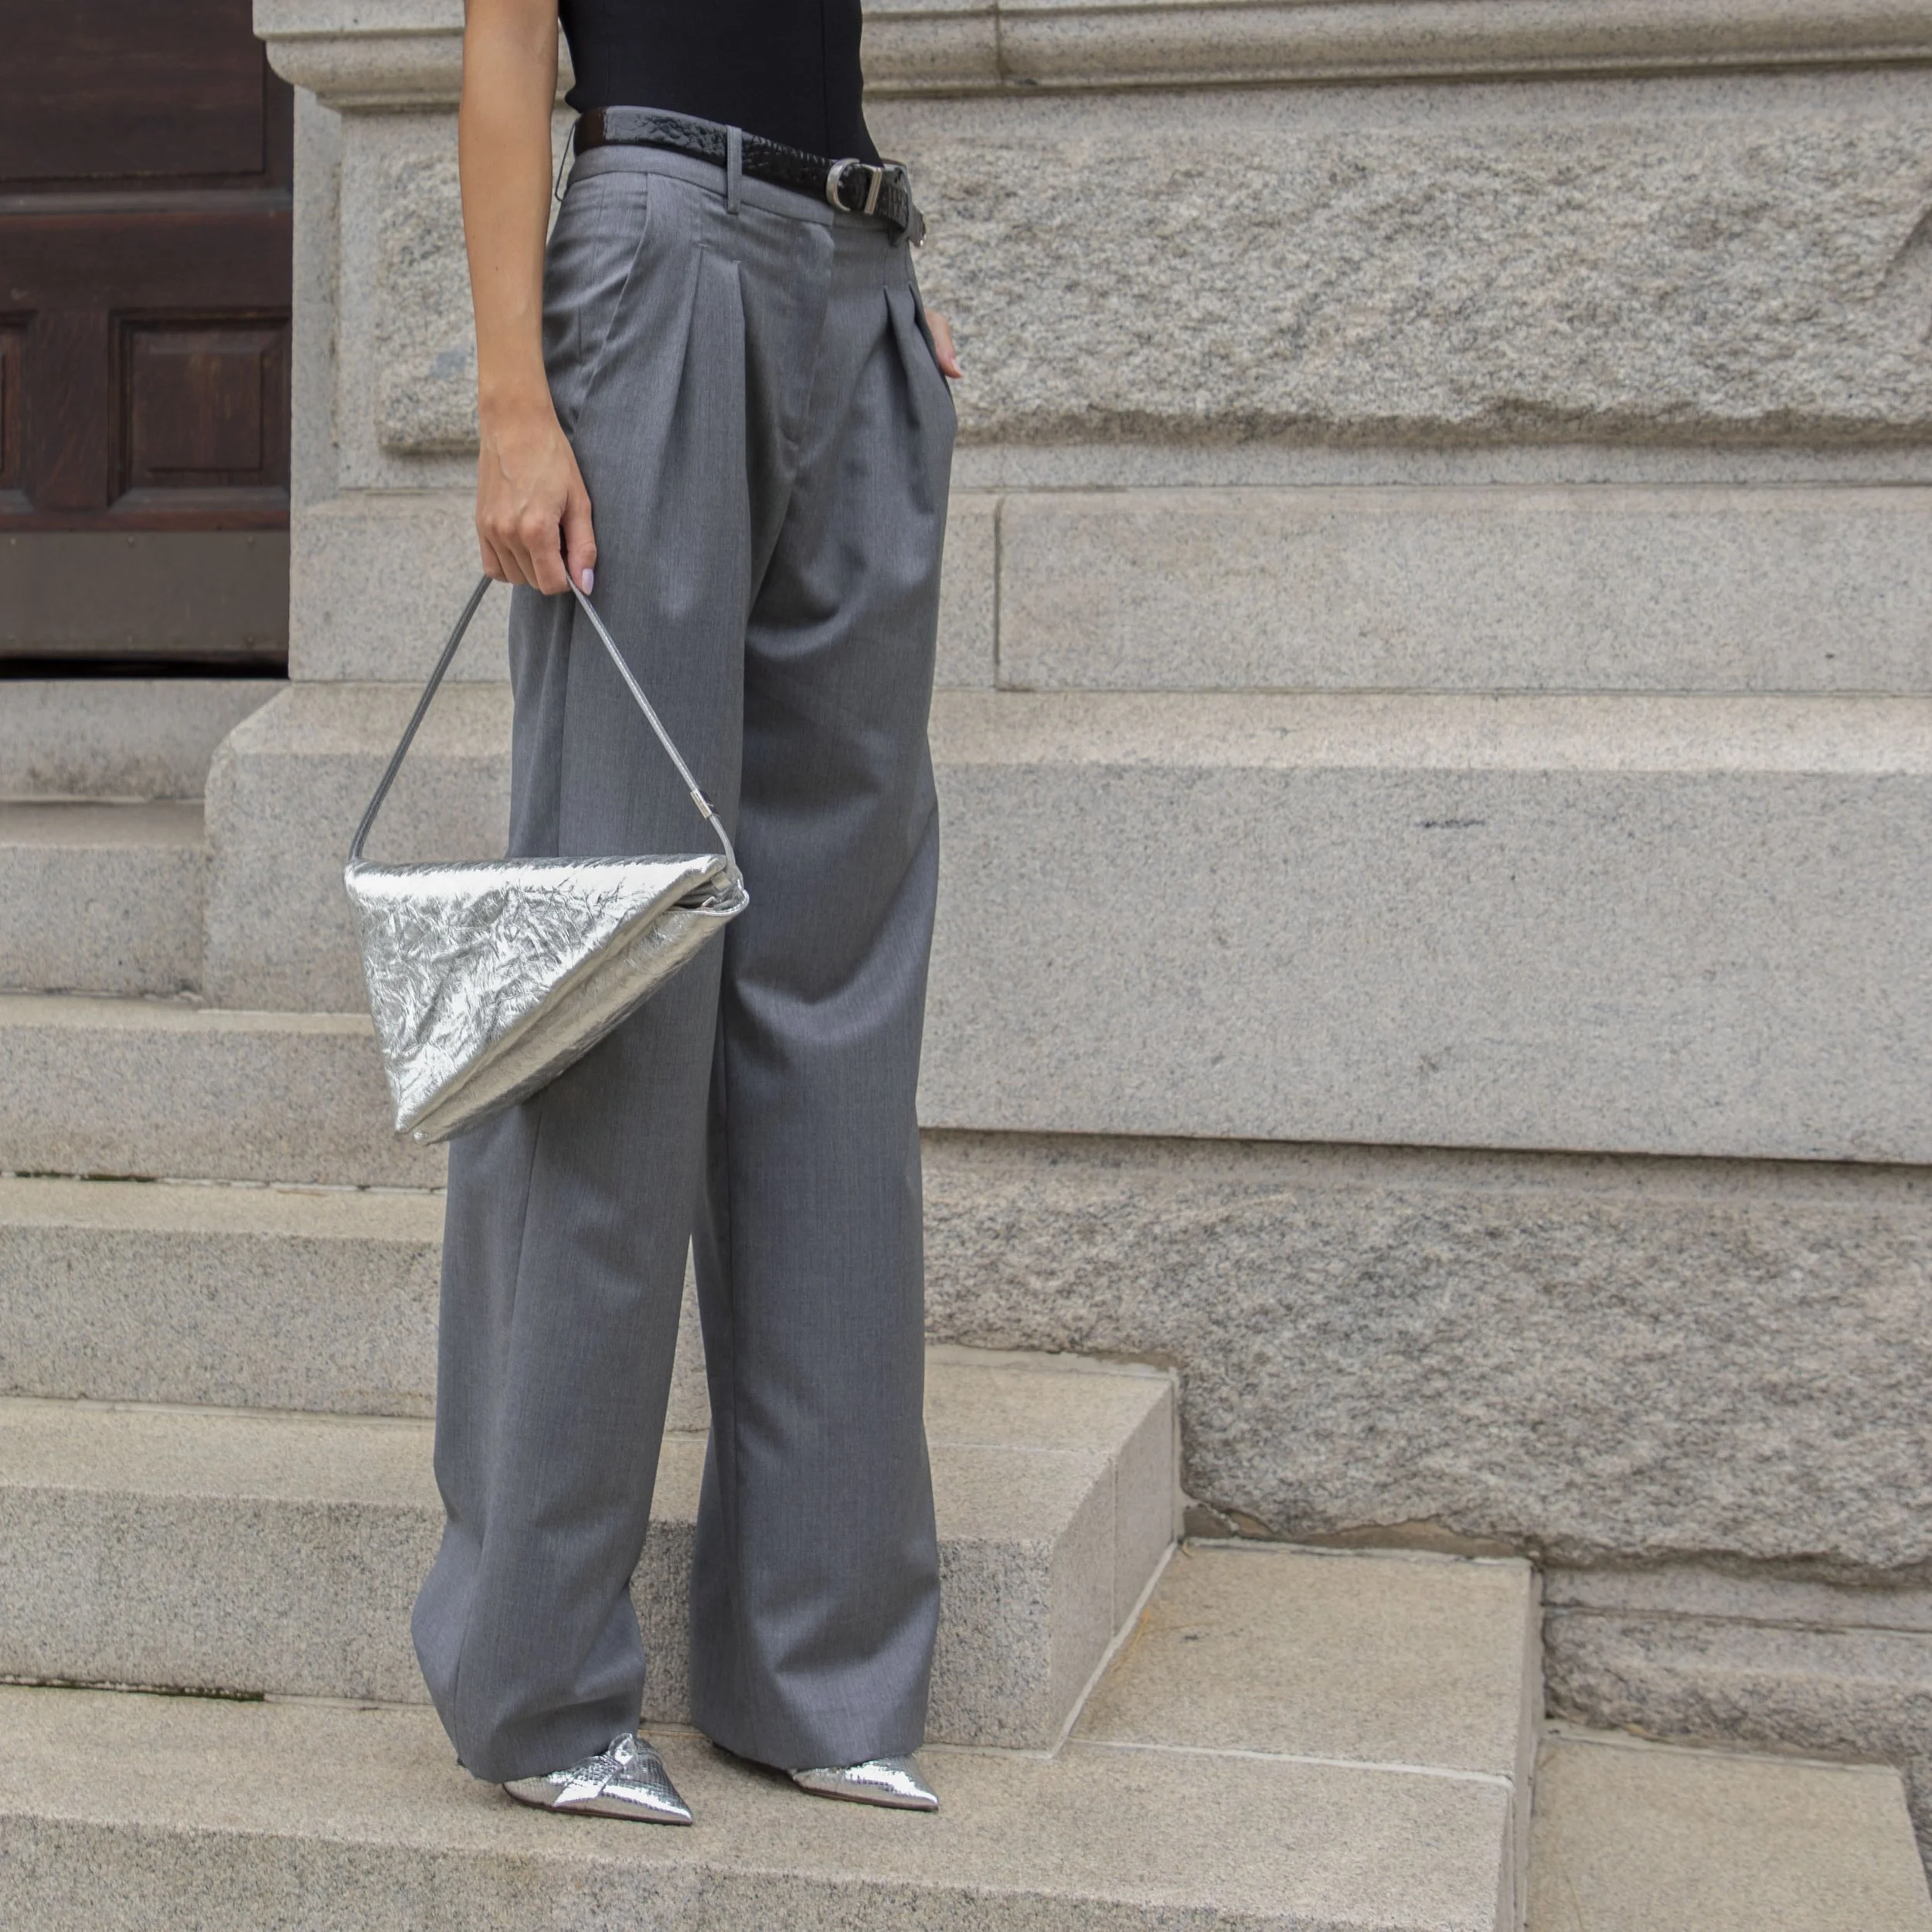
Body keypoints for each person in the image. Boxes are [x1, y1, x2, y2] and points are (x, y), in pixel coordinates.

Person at [410, 0, 963, 1825]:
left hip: (850, 275)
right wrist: (511, 401)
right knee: (611, 978)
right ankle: (537, 1677)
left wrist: (875, 277)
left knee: (834, 1000)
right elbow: (509, 40)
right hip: (655, 264)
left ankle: (819, 1667)